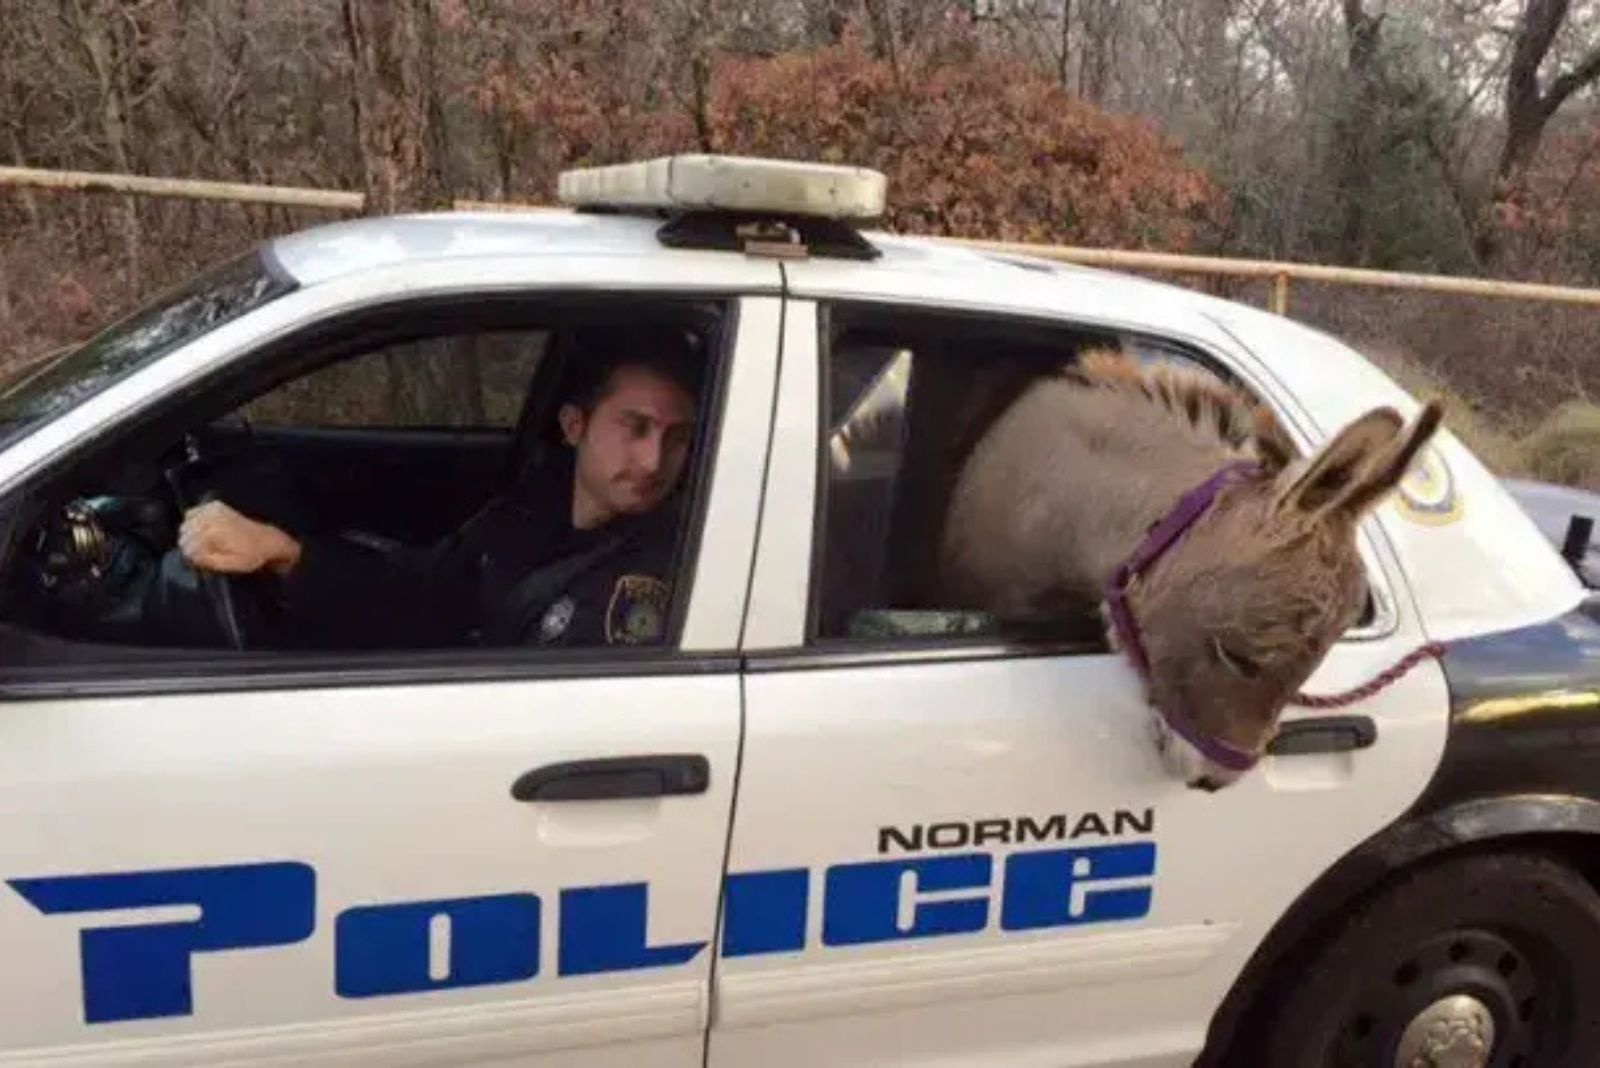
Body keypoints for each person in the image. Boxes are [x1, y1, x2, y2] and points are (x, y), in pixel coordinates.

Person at [176, 340, 701, 650]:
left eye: (676, 438)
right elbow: (428, 589)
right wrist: (286, 555)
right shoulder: (537, 503)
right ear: (573, 425)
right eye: (635, 427)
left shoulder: (675, 561)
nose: (654, 461)